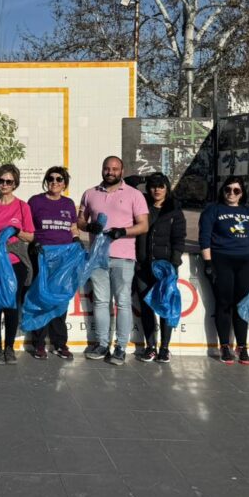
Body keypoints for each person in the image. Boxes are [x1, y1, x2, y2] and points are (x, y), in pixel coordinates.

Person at [78, 156, 149, 365]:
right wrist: (87, 226)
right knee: (100, 301)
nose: (110, 172)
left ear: (122, 171)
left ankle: (120, 347)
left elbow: (143, 225)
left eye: (115, 169)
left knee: (123, 302)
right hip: (97, 257)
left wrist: (123, 231)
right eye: (107, 169)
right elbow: (80, 220)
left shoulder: (134, 194)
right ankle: (102, 344)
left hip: (123, 257)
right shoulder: (90, 193)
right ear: (102, 170)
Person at [199, 176, 249, 365]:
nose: (231, 193)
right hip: (221, 260)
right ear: (223, 191)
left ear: (242, 193)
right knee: (224, 303)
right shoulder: (213, 210)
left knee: (242, 304)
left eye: (236, 190)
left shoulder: (248, 212)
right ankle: (225, 346)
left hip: (246, 262)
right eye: (228, 189)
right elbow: (204, 237)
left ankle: (242, 346)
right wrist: (208, 262)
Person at [0, 164, 36, 365]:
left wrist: (16, 231)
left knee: (11, 305)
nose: (4, 184)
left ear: (15, 184)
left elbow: (31, 236)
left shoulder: (22, 207)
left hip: (14, 262)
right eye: (1, 181)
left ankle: (9, 348)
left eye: (9, 181)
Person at [133, 173, 187, 364]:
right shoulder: (142, 206)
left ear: (167, 188)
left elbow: (179, 240)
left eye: (161, 186)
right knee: (146, 307)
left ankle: (164, 348)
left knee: (165, 306)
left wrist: (173, 264)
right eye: (153, 186)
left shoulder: (175, 211)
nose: (157, 190)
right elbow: (128, 184)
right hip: (143, 266)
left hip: (165, 268)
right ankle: (150, 347)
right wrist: (145, 178)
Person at [27, 166, 79, 361]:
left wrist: (76, 239)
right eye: (51, 178)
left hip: (64, 260)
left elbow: (73, 227)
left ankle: (59, 343)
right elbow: (27, 227)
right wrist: (34, 242)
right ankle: (39, 344)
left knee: (60, 299)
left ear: (65, 184)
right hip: (42, 256)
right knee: (41, 298)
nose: (54, 182)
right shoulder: (35, 201)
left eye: (59, 179)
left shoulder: (68, 203)